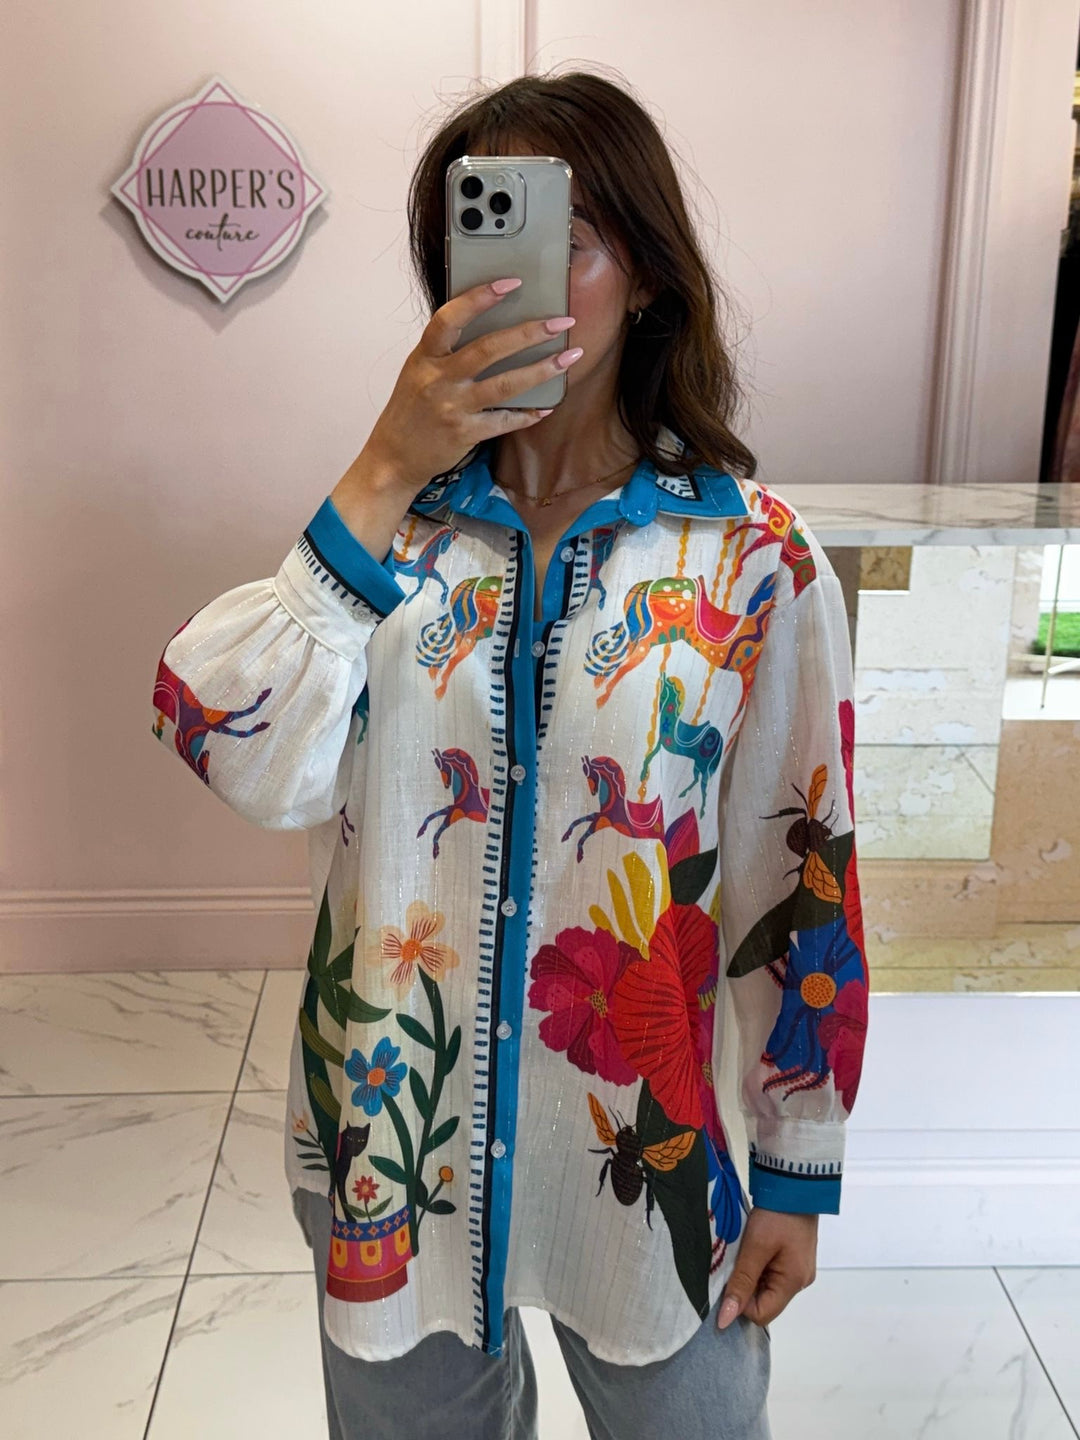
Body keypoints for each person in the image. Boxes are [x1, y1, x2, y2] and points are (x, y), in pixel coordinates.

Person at [151, 68, 869, 1440]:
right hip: (394, 1152)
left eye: (564, 241)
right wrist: (383, 466)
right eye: (478, 239)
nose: (510, 283)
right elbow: (232, 747)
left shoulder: (753, 561)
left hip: (646, 1160)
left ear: (646, 275)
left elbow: (802, 872)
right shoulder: (383, 541)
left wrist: (798, 1161)